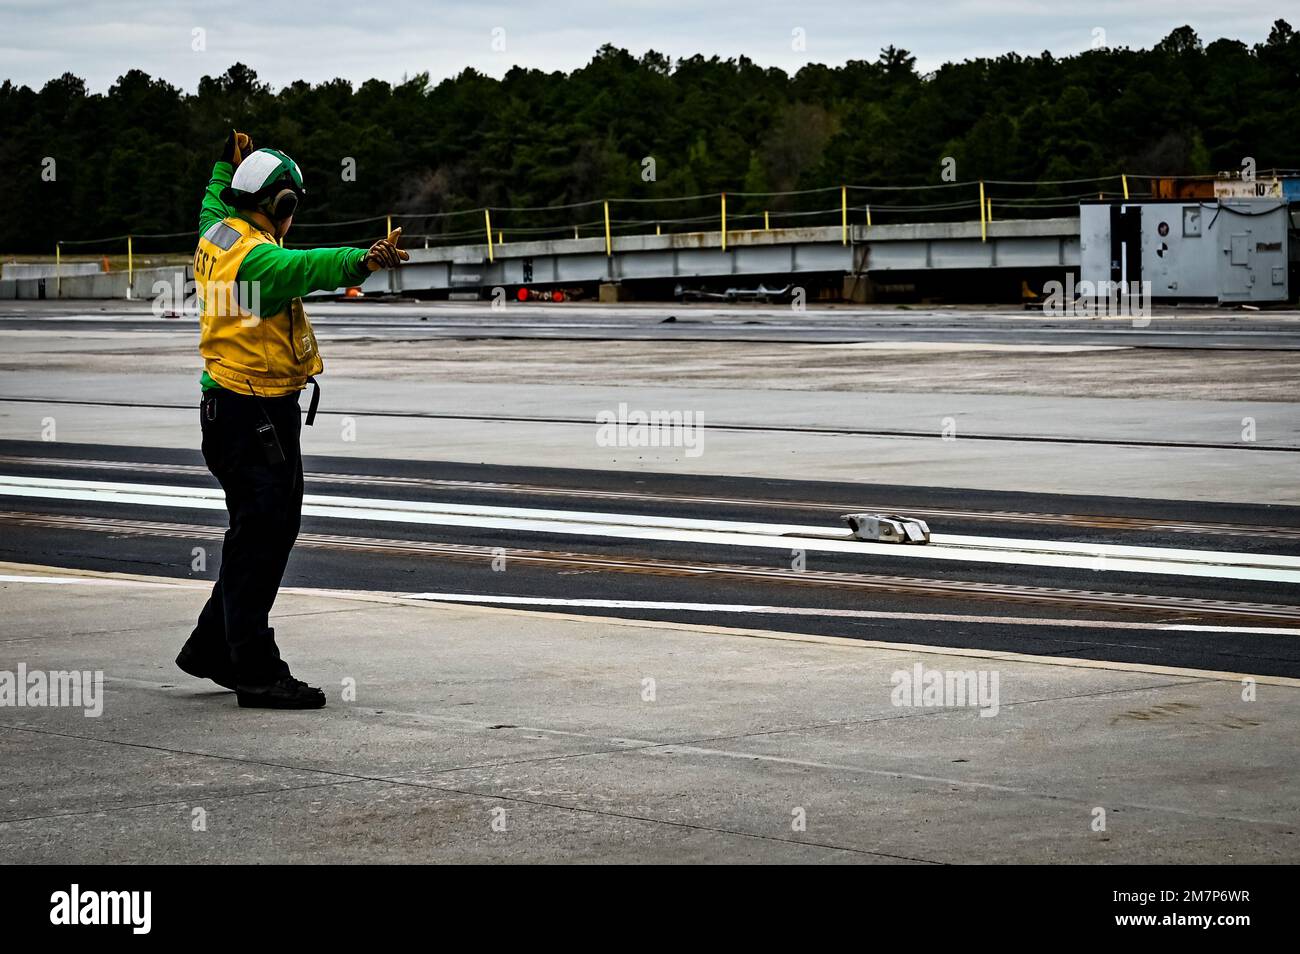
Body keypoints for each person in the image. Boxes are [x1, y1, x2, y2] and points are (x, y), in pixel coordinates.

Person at [175, 130, 408, 709]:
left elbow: (210, 197)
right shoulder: (259, 259)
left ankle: (212, 647)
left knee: (257, 532)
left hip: (232, 408)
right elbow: (311, 266)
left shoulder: (217, 230)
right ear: (280, 205)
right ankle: (254, 669)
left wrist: (221, 162)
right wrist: (365, 258)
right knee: (263, 537)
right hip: (253, 413)